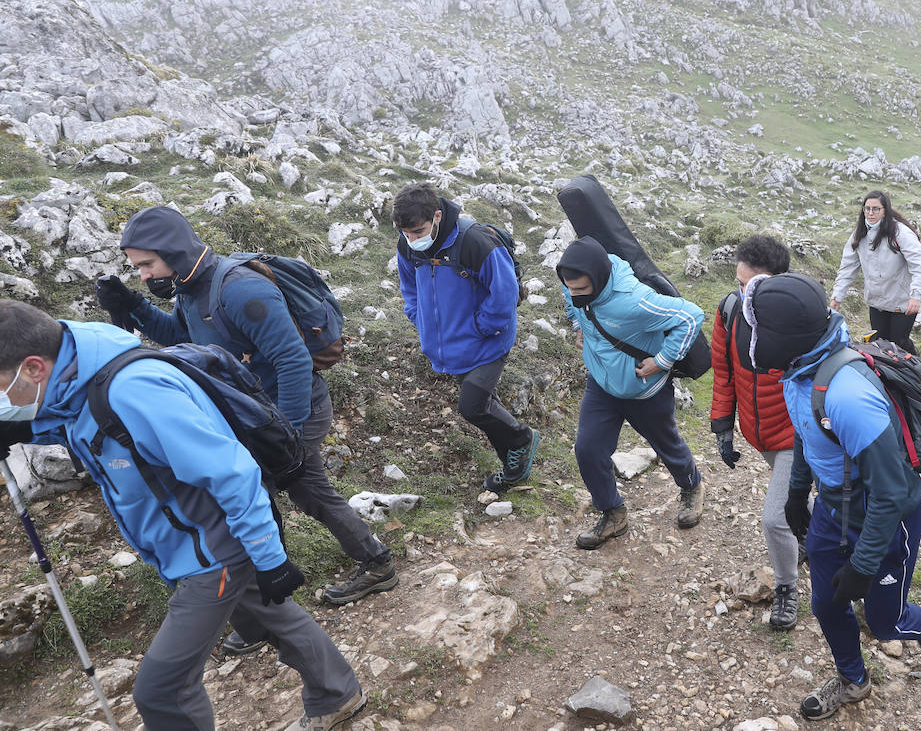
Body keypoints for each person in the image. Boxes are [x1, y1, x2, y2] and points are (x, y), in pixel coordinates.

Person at [0, 300, 366, 731]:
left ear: (33, 369)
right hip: (187, 544)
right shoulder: (77, 368)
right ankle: (337, 693)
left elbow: (232, 472)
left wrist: (271, 558)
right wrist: (25, 428)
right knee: (271, 614)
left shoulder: (134, 389)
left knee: (162, 692)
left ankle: (335, 692)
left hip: (212, 553)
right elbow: (86, 420)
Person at [93, 206, 395, 635]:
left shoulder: (239, 290)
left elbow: (292, 360)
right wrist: (135, 308)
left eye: (146, 265)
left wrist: (286, 433)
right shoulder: (190, 286)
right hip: (253, 414)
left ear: (173, 253)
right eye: (136, 268)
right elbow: (185, 341)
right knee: (301, 493)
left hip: (291, 410)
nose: (143, 274)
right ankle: (354, 571)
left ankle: (270, 614)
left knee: (257, 498)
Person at [744, 274, 921, 721]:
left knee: (884, 622)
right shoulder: (799, 372)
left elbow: (892, 491)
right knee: (825, 602)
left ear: (782, 336)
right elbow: (808, 429)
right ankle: (853, 680)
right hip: (833, 507)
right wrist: (798, 490)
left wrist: (862, 566)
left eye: (758, 328)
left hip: (885, 514)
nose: (753, 337)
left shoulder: (848, 395)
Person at [557, 236, 706, 550]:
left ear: (598, 279)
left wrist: (663, 360)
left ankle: (692, 486)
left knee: (666, 445)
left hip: (645, 390)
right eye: (570, 287)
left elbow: (691, 315)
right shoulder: (575, 283)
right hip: (601, 384)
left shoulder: (633, 299)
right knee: (587, 450)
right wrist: (578, 325)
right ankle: (613, 513)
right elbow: (571, 297)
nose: (574, 294)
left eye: (582, 289)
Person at [392, 182, 538, 494]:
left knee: (472, 407)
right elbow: (410, 289)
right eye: (406, 233)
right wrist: (421, 320)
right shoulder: (407, 245)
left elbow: (504, 294)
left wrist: (480, 328)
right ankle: (513, 468)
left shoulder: (475, 242)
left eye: (418, 231)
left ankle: (522, 439)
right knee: (484, 404)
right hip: (450, 348)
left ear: (437, 216)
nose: (412, 239)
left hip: (488, 342)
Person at [709, 234, 800, 630]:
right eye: (739, 282)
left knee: (774, 520)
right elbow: (724, 372)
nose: (743, 292)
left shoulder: (801, 317)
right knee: (795, 506)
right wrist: (723, 427)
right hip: (758, 432)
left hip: (797, 437)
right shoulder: (729, 310)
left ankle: (786, 587)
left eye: (752, 286)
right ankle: (812, 538)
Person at [830, 190, 921, 353]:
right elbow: (847, 268)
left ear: (885, 210)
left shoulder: (900, 233)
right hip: (876, 302)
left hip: (902, 301)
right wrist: (837, 296)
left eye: (876, 209)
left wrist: (916, 295)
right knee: (880, 345)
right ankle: (887, 378)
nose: (871, 213)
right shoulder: (859, 234)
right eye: (867, 208)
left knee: (899, 344)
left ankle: (918, 371)